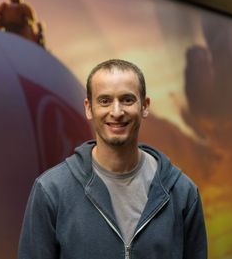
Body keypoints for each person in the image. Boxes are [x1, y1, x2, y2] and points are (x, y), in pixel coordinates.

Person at [18, 59, 207, 259]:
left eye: (127, 99)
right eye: (105, 101)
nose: (116, 112)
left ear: (145, 106)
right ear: (89, 108)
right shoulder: (51, 191)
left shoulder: (182, 193)